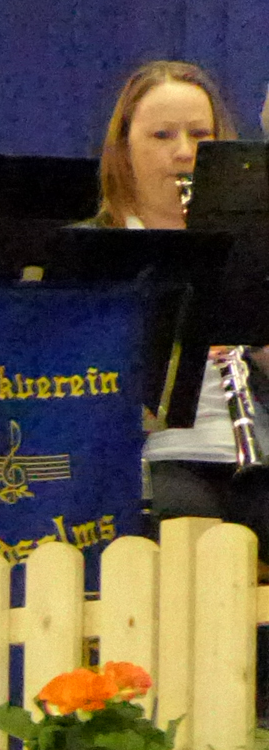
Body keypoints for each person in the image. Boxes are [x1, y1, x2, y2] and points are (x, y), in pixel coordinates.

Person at [92, 59, 269, 543]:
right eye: (162, 136)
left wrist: (255, 342)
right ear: (124, 150)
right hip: (153, 457)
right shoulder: (94, 252)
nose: (184, 152)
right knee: (187, 535)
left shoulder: (253, 248)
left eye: (200, 135)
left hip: (253, 452)